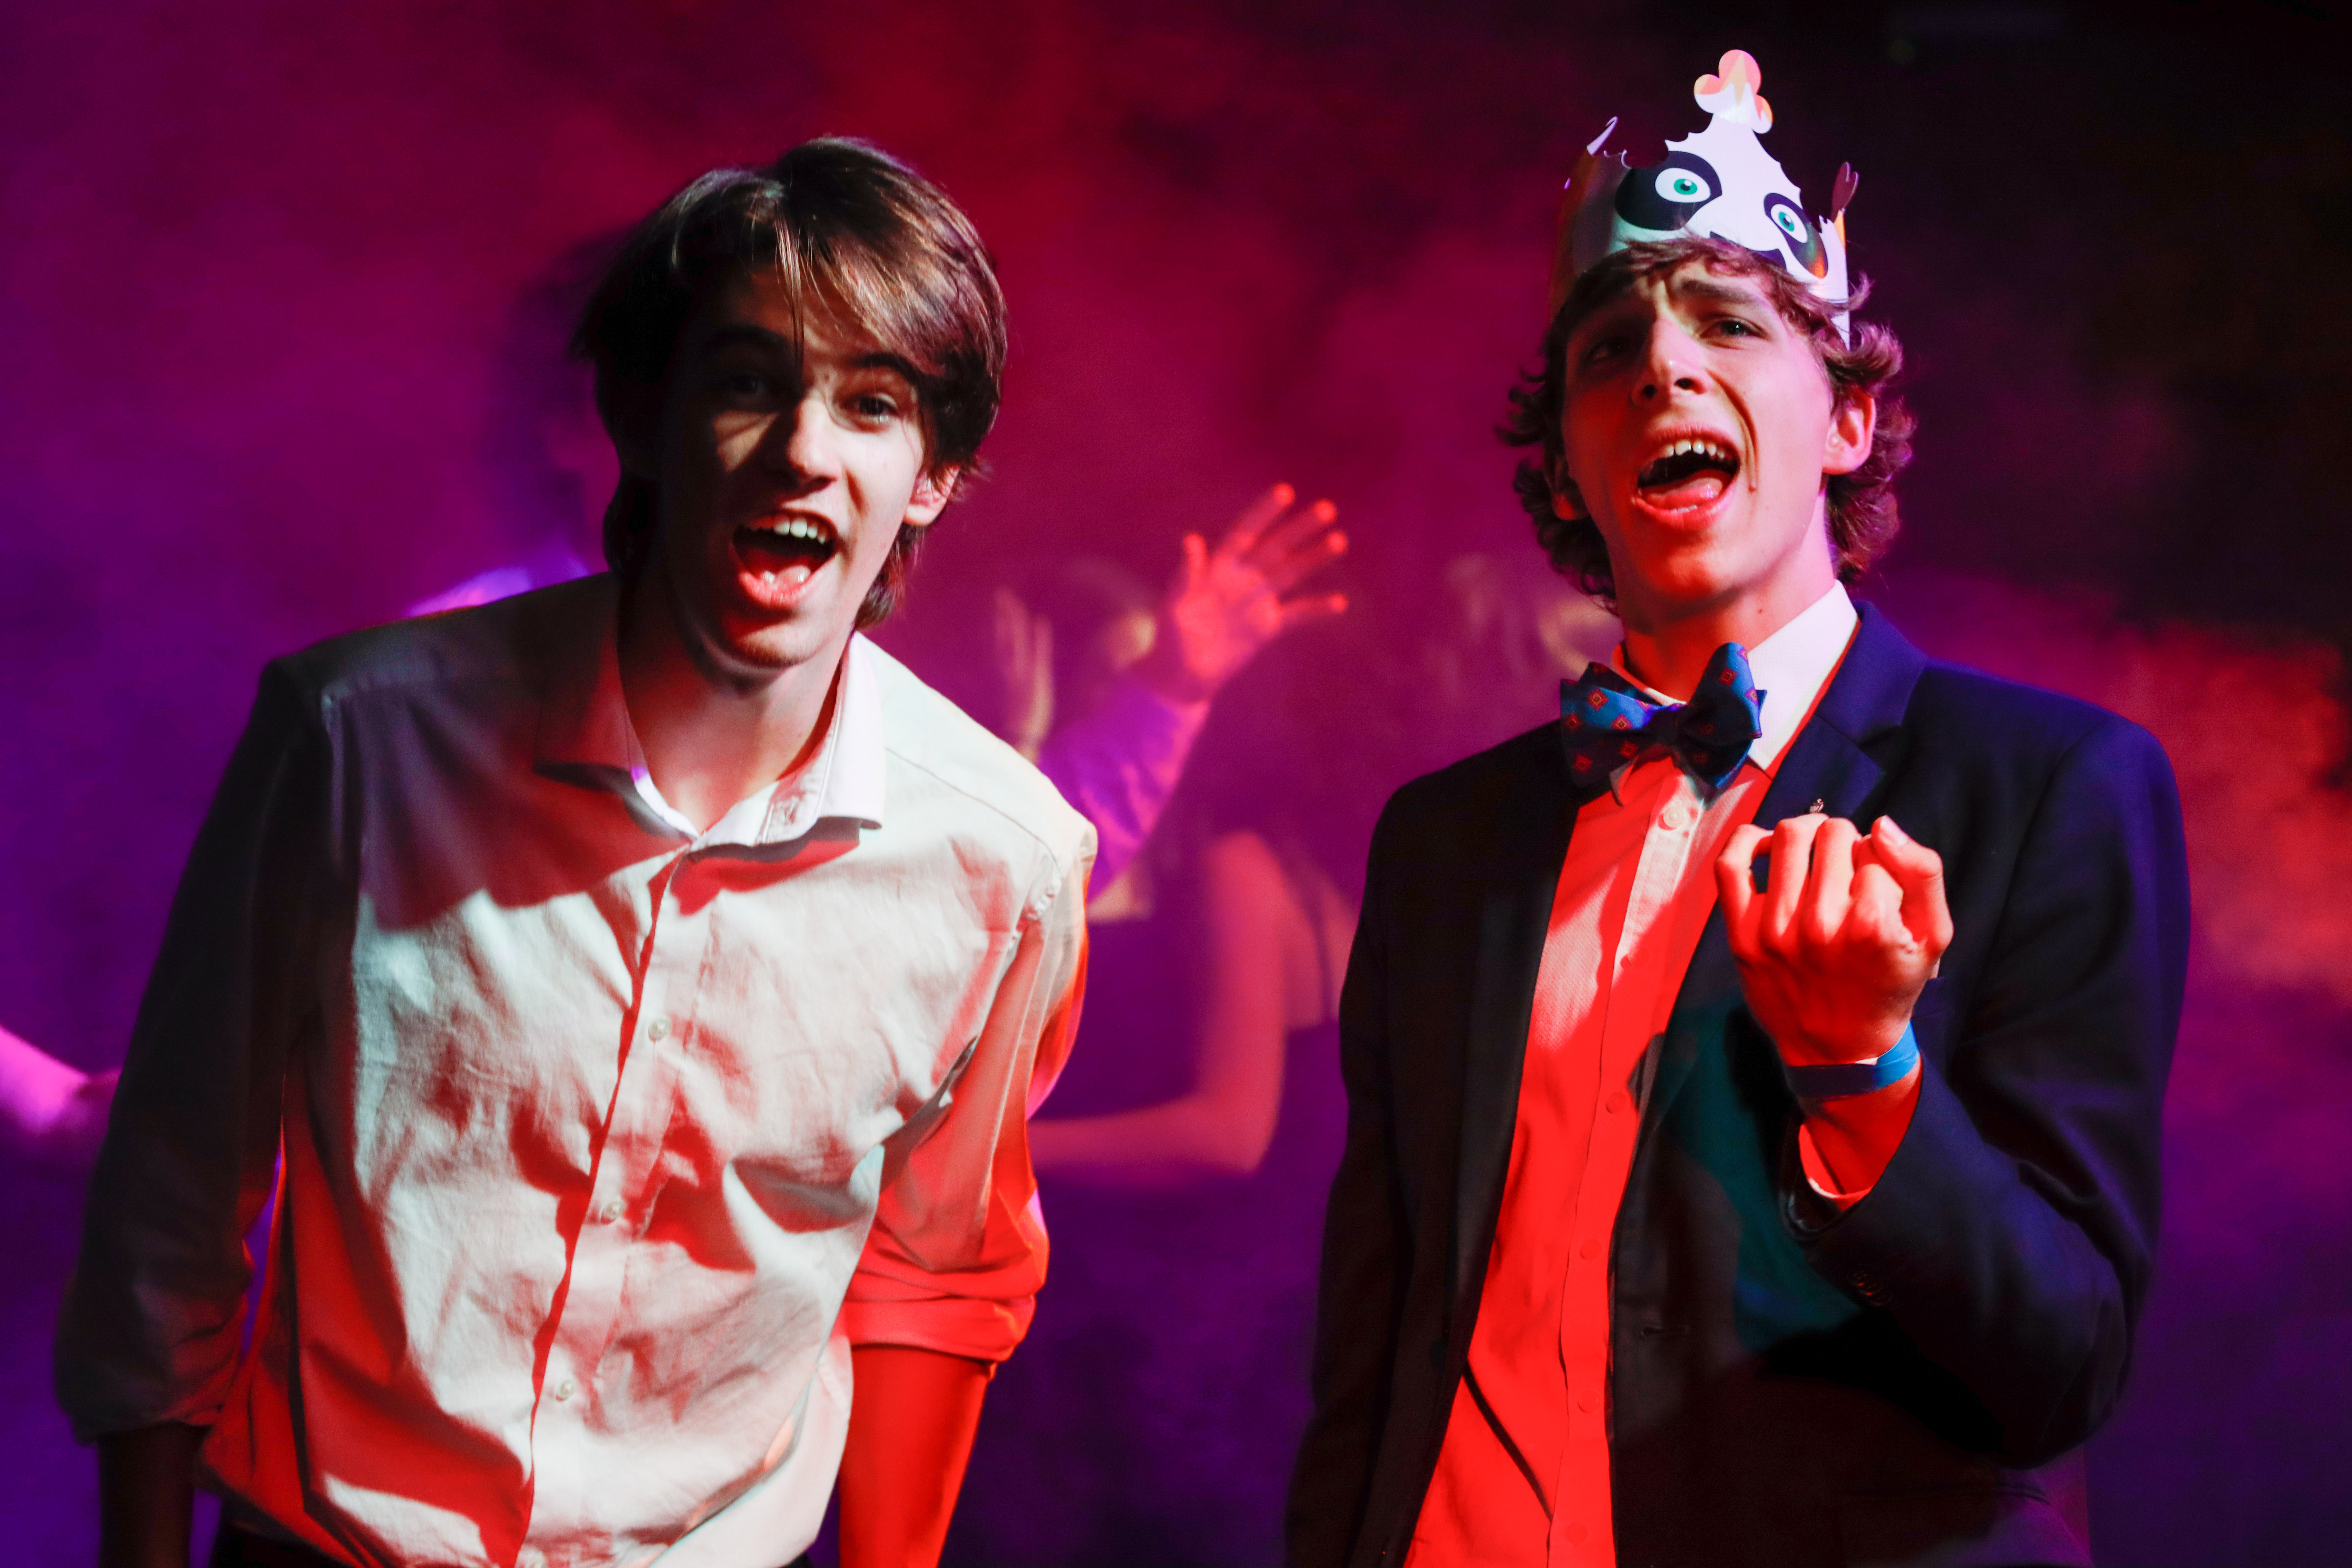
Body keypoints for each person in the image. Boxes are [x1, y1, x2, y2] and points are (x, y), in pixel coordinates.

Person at [59, 139, 1093, 1568]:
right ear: (643, 411)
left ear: (935, 474)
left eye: (873, 402)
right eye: (750, 380)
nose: (805, 448)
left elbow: (938, 1279)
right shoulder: (357, 739)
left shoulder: (1005, 860)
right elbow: (173, 1196)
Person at [1290, 49, 2186, 1568]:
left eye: (1727, 323)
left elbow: (2063, 1361)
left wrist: (1862, 1068)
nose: (1663, 367)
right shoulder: (1443, 843)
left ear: (1846, 423)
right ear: (1566, 474)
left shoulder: (2048, 786)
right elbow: (1371, 1352)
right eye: (1611, 350)